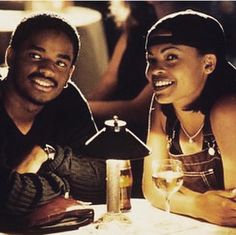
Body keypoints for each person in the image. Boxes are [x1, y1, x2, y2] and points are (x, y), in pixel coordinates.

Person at [0, 13, 106, 219]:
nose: (48, 71)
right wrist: (63, 186)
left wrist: (47, 154)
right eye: (36, 56)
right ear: (11, 56)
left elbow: (102, 180)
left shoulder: (68, 98)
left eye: (60, 63)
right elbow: (6, 198)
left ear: (70, 73)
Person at [142, 9, 236, 226]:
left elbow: (231, 209)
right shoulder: (163, 107)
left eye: (171, 57)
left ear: (208, 64)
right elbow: (151, 189)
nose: (156, 70)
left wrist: (186, 200)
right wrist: (198, 206)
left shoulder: (228, 110)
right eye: (151, 59)